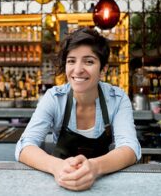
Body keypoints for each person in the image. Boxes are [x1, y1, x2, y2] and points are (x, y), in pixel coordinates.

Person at [15, 27, 141, 191]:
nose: (78, 69)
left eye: (89, 61)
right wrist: (57, 167)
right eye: (71, 61)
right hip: (58, 184)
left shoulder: (117, 99)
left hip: (103, 186)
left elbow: (130, 148)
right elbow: (25, 146)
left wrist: (94, 167)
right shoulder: (54, 98)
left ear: (103, 69)